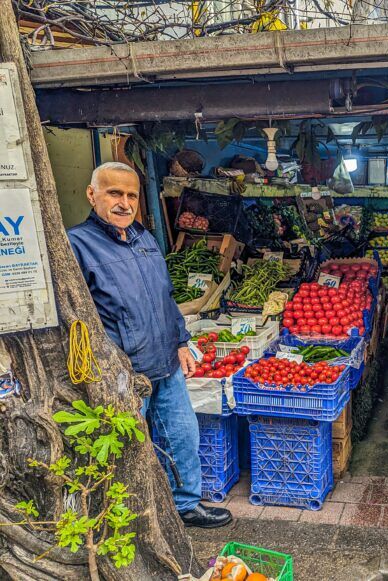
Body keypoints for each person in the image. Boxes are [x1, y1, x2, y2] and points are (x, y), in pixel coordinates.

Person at [67, 162, 231, 529]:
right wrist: (108, 365)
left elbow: (165, 298)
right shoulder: (76, 244)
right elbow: (76, 318)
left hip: (165, 362)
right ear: (92, 194)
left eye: (131, 195)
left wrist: (181, 342)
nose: (124, 203)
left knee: (183, 437)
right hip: (124, 370)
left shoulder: (144, 239)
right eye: (114, 193)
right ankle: (125, 519)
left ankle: (186, 505)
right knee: (126, 450)